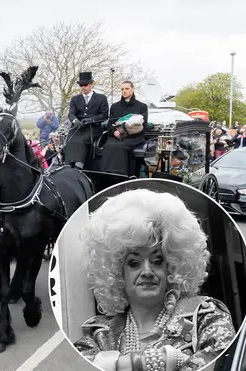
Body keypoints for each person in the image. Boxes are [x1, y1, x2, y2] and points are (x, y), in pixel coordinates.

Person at [74, 189, 236, 371]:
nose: (147, 271)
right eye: (134, 263)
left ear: (172, 267)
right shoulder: (101, 333)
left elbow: (219, 361)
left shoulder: (205, 315)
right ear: (118, 273)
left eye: (157, 261)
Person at [100, 81, 148, 176]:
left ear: (132, 89)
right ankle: (106, 174)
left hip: (134, 137)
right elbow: (110, 125)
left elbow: (143, 125)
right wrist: (114, 132)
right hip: (116, 136)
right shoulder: (114, 107)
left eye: (127, 88)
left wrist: (127, 130)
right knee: (108, 145)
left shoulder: (142, 106)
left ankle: (121, 175)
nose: (124, 91)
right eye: (122, 89)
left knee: (120, 146)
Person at [66, 71, 109, 169]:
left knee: (81, 141)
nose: (83, 87)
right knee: (70, 140)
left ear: (91, 85)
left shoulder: (101, 98)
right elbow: (71, 113)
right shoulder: (75, 99)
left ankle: (79, 164)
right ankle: (68, 163)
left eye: (85, 85)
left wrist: (91, 120)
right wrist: (75, 121)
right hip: (78, 127)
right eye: (81, 85)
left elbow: (104, 115)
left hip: (92, 128)